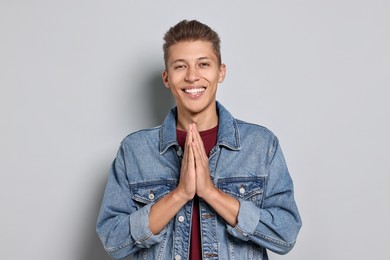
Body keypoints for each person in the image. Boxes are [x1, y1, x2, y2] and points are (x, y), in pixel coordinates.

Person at [96, 20, 302, 260]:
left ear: (220, 72)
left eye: (203, 64)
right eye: (180, 66)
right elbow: (113, 241)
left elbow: (285, 235)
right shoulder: (134, 151)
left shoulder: (261, 145)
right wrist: (180, 194)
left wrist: (210, 193)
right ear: (166, 78)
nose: (192, 76)